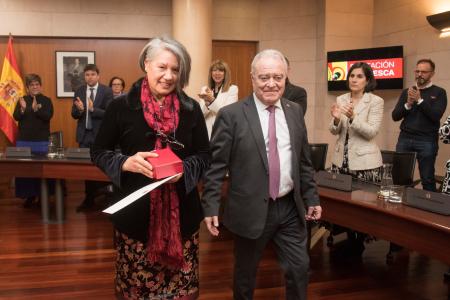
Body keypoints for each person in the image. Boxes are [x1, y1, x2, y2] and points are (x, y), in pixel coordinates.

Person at [91, 37, 210, 299]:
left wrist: (185, 170)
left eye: (175, 70)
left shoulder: (191, 109)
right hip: (135, 219)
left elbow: (204, 155)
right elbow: (98, 152)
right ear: (147, 64)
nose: (169, 76)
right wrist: (125, 162)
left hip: (183, 222)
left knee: (181, 292)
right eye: (162, 67)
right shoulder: (120, 106)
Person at [201, 49, 321, 300]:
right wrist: (211, 205)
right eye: (264, 77)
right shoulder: (231, 115)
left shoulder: (295, 111)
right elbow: (216, 165)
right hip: (250, 208)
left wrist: (312, 197)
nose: (271, 84)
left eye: (278, 77)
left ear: (286, 78)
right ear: (253, 78)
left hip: (289, 207)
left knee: (299, 269)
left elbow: (303, 161)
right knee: (245, 274)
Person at [328, 62, 384, 256]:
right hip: (341, 160)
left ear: (367, 80)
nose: (354, 79)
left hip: (365, 163)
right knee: (344, 207)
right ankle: (350, 241)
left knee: (361, 209)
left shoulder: (375, 101)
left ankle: (358, 244)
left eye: (359, 76)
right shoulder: (341, 98)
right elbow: (335, 130)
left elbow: (371, 132)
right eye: (351, 76)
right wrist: (336, 119)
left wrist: (352, 118)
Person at [392, 58, 447, 192]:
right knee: (400, 177)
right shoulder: (407, 92)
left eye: (424, 72)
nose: (419, 74)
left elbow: (435, 116)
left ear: (432, 73)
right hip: (405, 138)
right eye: (417, 71)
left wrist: (420, 100)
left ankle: (429, 211)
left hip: (426, 140)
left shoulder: (439, 92)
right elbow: (395, 116)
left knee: (427, 178)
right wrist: (409, 104)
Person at [71, 64, 113, 211]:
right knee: (85, 169)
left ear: (98, 75)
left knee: (102, 168)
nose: (89, 77)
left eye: (92, 74)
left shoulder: (106, 91)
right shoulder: (79, 90)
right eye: (87, 74)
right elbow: (74, 114)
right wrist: (80, 110)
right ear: (84, 76)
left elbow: (109, 113)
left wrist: (93, 109)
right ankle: (89, 199)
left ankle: (105, 196)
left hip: (100, 136)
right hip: (84, 136)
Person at [13, 74, 54, 207]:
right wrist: (23, 109)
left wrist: (37, 110)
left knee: (42, 170)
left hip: (41, 141)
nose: (35, 87)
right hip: (24, 140)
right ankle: (29, 196)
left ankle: (43, 196)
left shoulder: (47, 100)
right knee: (25, 171)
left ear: (40, 86)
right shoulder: (22, 100)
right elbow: (16, 117)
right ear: (27, 87)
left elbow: (48, 116)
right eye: (32, 85)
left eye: (37, 84)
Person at [198, 59, 238, 139]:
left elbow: (227, 113)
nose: (217, 73)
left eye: (220, 70)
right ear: (211, 73)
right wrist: (206, 105)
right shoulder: (205, 89)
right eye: (214, 70)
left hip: (223, 132)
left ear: (225, 74)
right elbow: (200, 115)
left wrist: (212, 100)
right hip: (207, 133)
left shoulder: (233, 89)